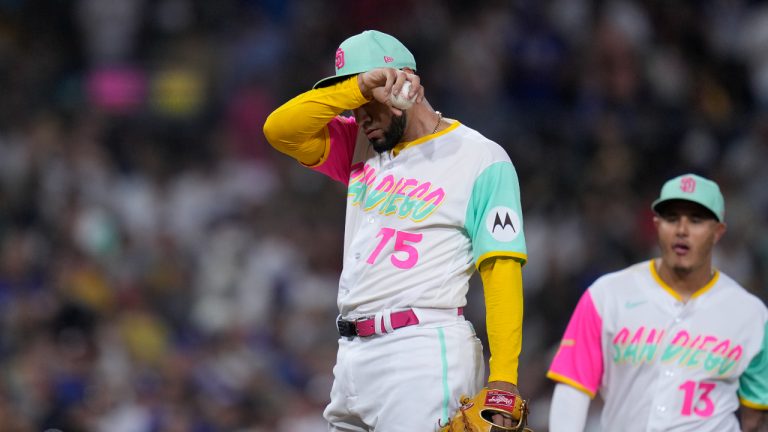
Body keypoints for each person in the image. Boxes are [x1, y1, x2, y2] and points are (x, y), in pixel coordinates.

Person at [263, 30, 528, 431]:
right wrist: (357, 89)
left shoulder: (481, 158)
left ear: (405, 82)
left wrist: (504, 379)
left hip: (422, 350)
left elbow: (502, 270)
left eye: (370, 103)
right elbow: (279, 130)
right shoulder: (360, 144)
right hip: (351, 356)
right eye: (355, 105)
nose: (360, 115)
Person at [547, 173, 768, 432]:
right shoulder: (606, 295)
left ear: (718, 232)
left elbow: (757, 416)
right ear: (656, 224)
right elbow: (573, 388)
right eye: (671, 218)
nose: (682, 230)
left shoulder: (752, 315)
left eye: (696, 220)